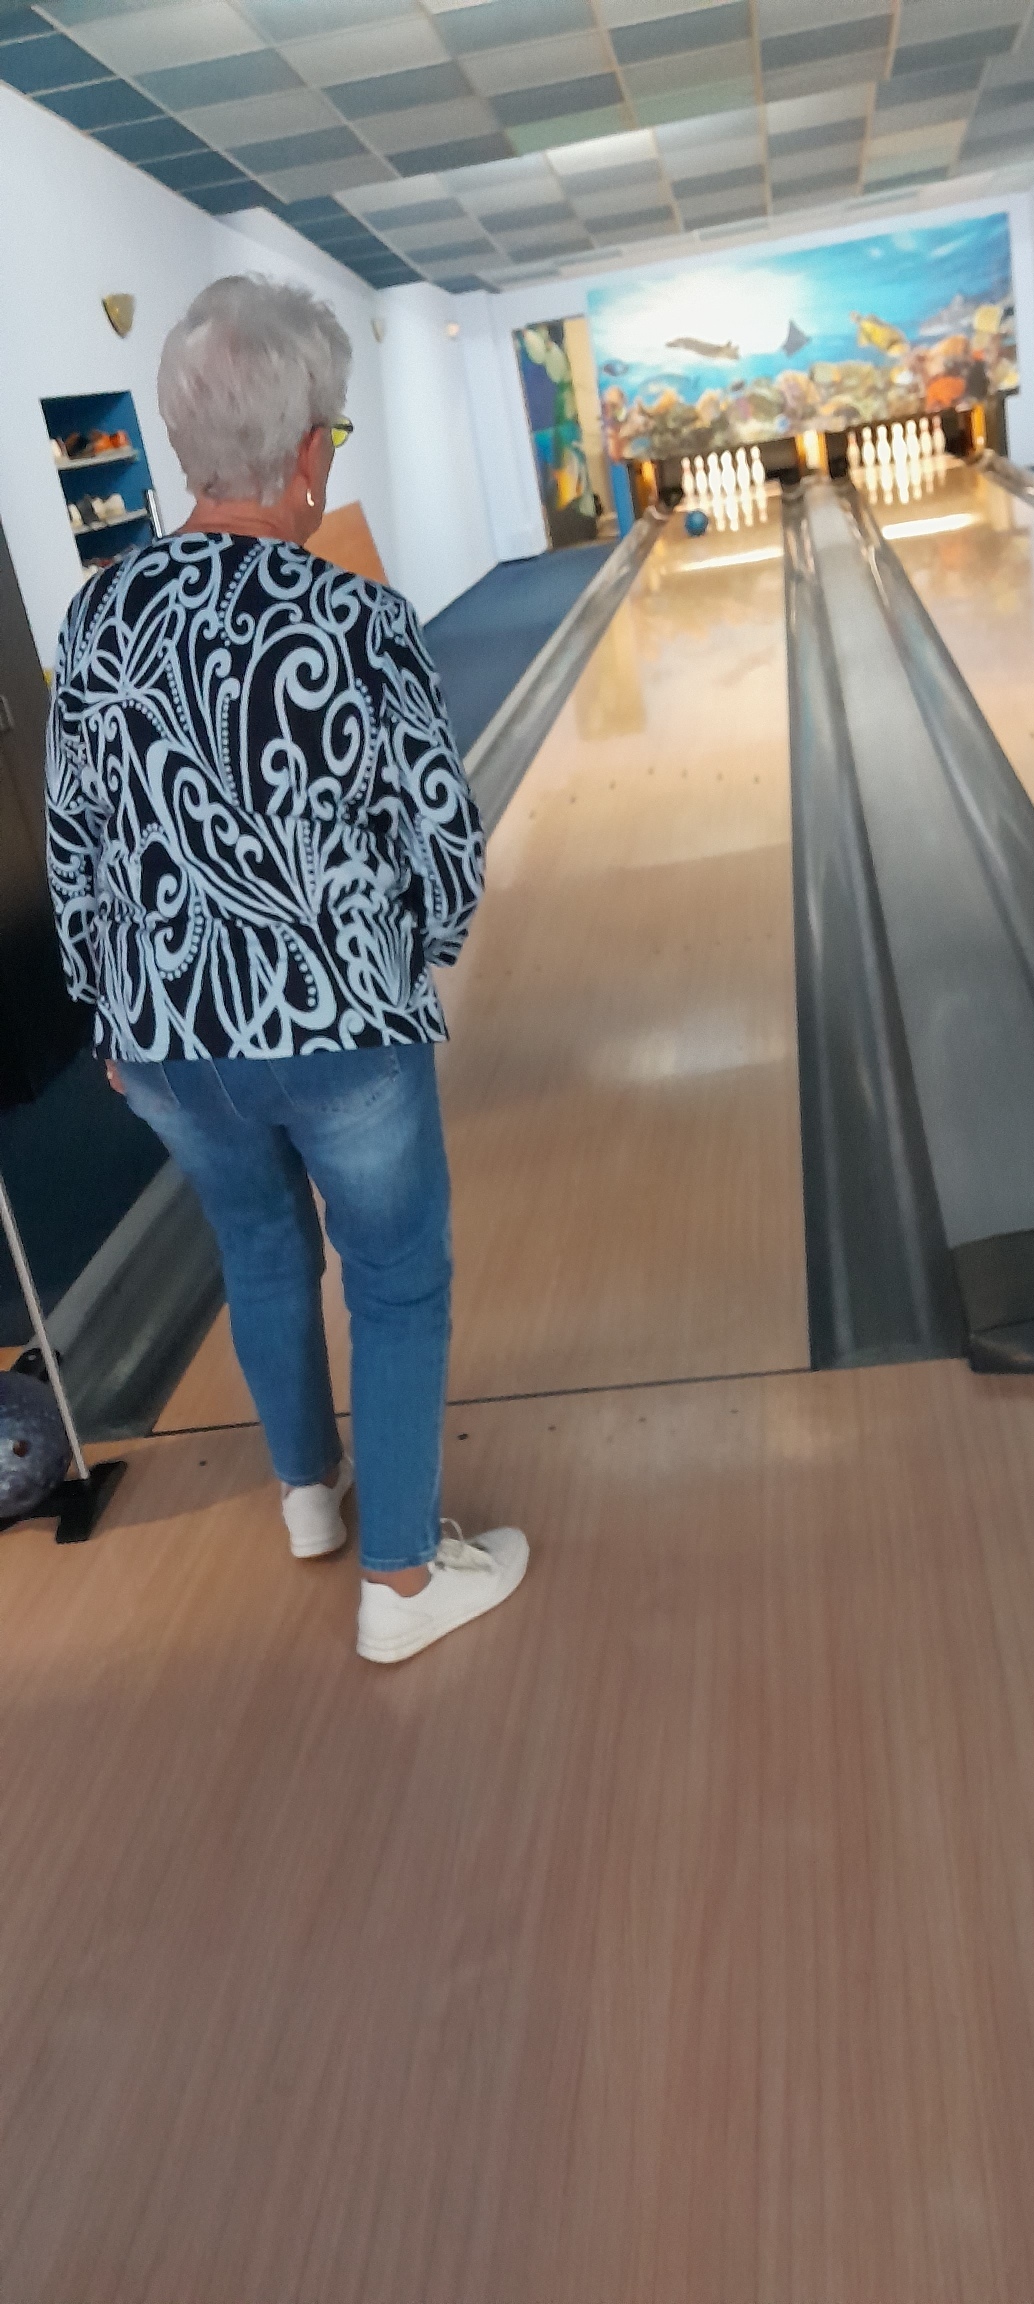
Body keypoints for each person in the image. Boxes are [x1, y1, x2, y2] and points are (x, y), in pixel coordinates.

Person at [44, 274, 527, 1664]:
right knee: (395, 1280)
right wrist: (410, 958)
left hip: (168, 1045)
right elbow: (443, 840)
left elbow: (78, 845)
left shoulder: (96, 621)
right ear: (309, 447)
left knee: (259, 1251)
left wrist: (112, 1015)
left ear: (184, 440)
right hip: (338, 1027)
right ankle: (402, 1585)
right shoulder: (356, 619)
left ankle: (311, 1497)